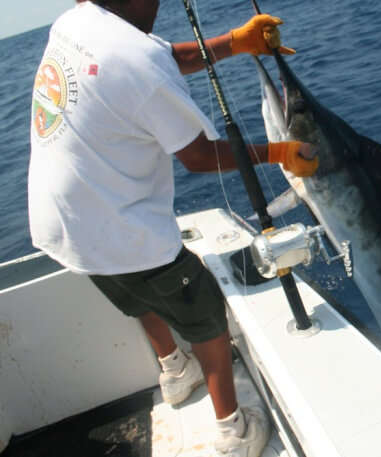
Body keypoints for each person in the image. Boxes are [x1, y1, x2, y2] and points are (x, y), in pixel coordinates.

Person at [28, 1, 318, 456]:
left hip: (66, 226)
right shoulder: (134, 57)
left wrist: (235, 44)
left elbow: (159, 60)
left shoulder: (78, 20)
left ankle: (176, 372)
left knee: (137, 292)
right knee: (204, 313)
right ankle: (232, 433)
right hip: (116, 226)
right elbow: (200, 156)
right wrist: (280, 153)